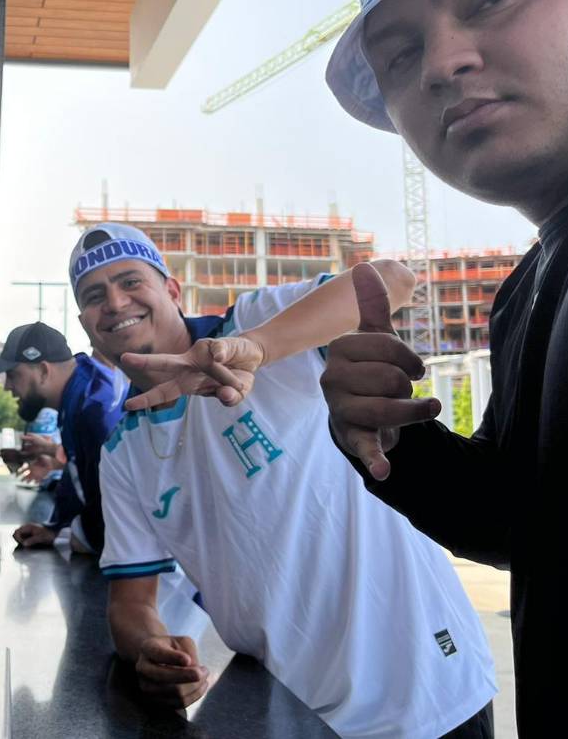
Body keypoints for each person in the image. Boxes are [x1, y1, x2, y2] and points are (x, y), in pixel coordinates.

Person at [320, 0, 568, 734]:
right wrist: (393, 445)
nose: (444, 62)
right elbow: (534, 524)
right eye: (400, 51)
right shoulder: (532, 280)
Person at [72, 223, 496, 737]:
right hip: (284, 706)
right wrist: (151, 651)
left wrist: (256, 347)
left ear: (172, 290)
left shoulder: (251, 322)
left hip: (421, 686)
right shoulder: (122, 452)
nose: (114, 302)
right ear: (84, 323)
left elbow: (392, 280)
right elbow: (132, 601)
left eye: (130, 281)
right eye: (95, 296)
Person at [0, 322, 123, 554]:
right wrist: (55, 527)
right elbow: (76, 473)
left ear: (44, 371)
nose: (7, 387)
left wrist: (77, 534)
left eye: (13, 375)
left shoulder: (94, 408)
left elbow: (115, 508)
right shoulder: (78, 397)